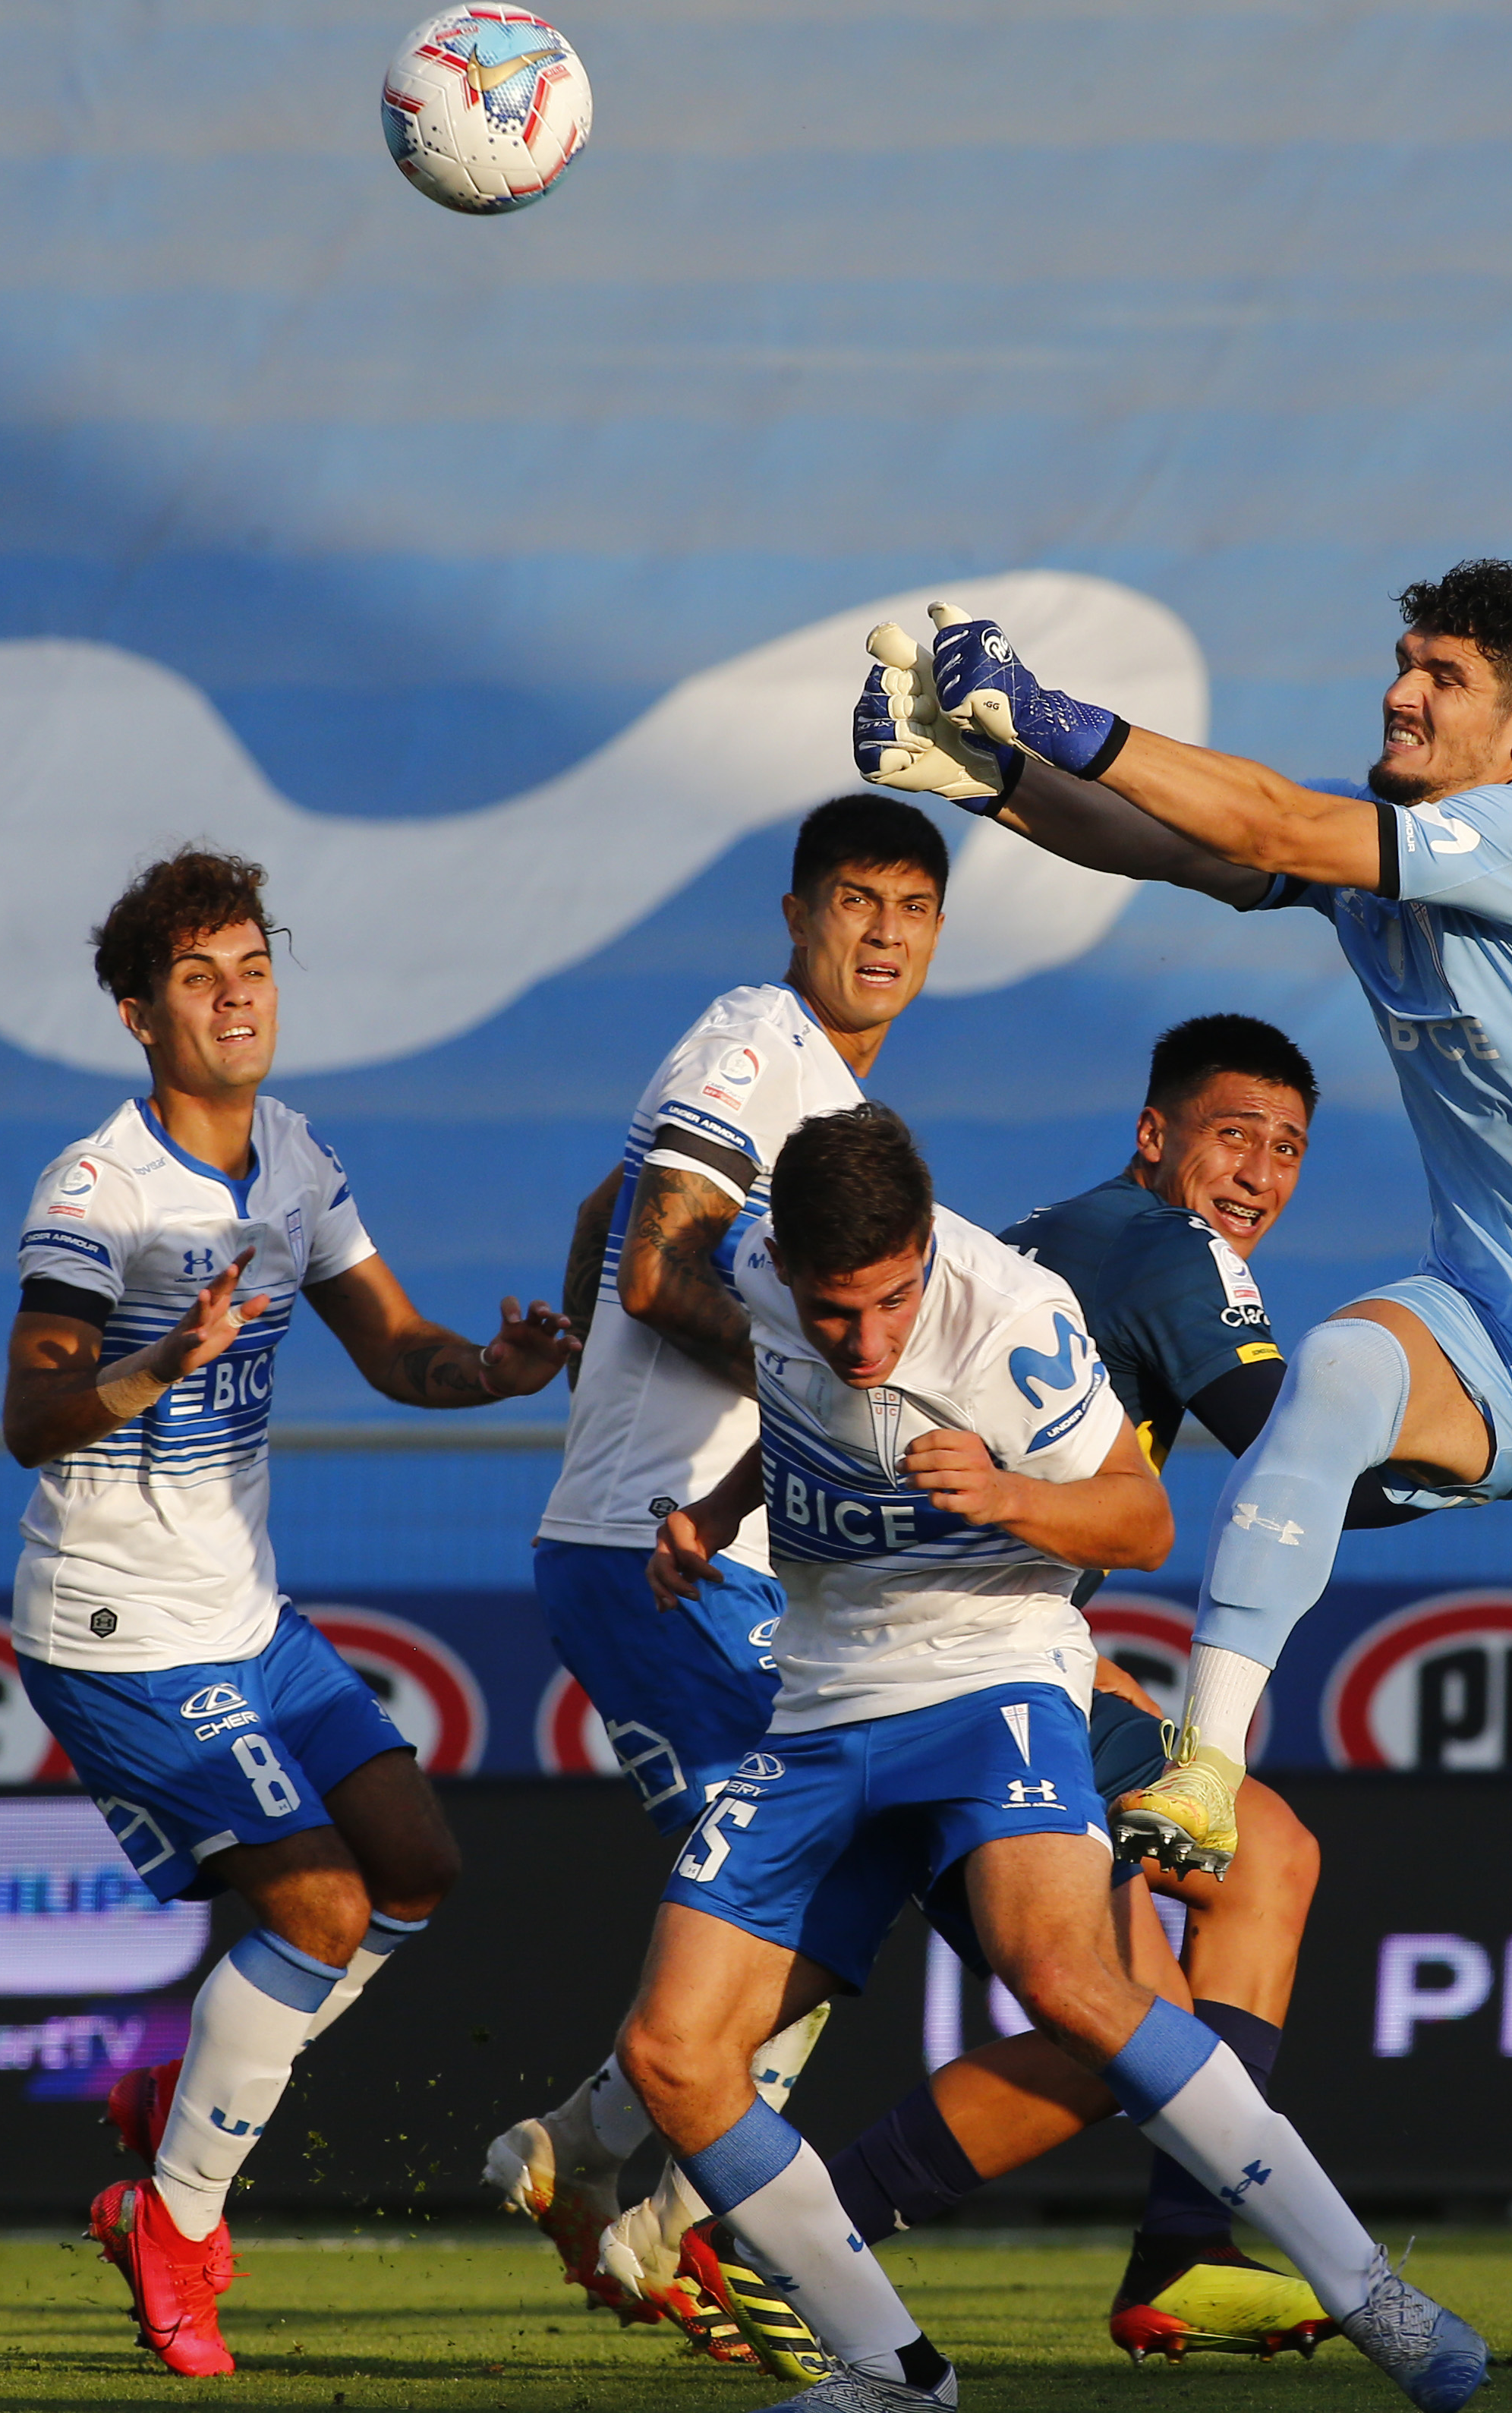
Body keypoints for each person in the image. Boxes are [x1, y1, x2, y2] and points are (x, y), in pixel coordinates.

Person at [855, 562, 1512, 2311]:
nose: (1403, 693)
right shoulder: (1377, 861)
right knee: (1331, 1362)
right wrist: (1000, 784)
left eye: (1444, 675)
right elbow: (1182, 847)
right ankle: (1206, 1755)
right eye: (1402, 662)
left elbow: (1255, 809)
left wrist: (1042, 707)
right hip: (1489, 1321)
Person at [620, 1103, 1487, 2413]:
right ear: (787, 1266)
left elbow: (1139, 1520)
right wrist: (718, 1513)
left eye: (892, 1302)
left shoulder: (1013, 1319)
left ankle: (1373, 2294)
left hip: (992, 1678)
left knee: (1066, 1974)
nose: (866, 1341)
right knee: (671, 2057)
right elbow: (801, 1414)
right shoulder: (756, 1262)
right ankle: (895, 2374)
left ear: (928, 1243)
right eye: (835, 1310)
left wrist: (1011, 1493)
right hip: (817, 1710)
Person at [0, 849, 577, 2377]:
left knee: (414, 1867)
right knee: (316, 1910)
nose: (235, 994)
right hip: (117, 1623)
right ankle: (170, 2215)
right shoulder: (95, 1189)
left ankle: (185, 2098)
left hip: (243, 1614)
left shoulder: (299, 1158)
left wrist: (493, 1373)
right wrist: (159, 1363)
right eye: (197, 977)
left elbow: (397, 1351)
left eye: (250, 965)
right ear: (137, 1014)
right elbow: (32, 1413)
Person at [829, 1014, 1378, 2360]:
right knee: (1124, 2036)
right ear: (1155, 1138)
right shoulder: (1166, 1247)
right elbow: (1289, 1446)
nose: (1257, 1174)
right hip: (941, 1677)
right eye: (1232, 1136)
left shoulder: (1066, 1236)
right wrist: (1507, 1446)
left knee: (1261, 1867)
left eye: (1288, 1149)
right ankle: (777, 2247)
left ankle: (1184, 2256)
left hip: (982, 1649)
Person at [480, 796, 950, 2348]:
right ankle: (672, 2211)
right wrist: (825, 1380)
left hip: (703, 1547)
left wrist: (589, 1389)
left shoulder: (820, 1088)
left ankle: (616, 2172)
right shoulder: (755, 1046)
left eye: (912, 909)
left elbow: (595, 1218)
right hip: (665, 1554)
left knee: (840, 1876)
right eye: (857, 900)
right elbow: (651, 1257)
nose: (883, 933)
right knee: (804, 1882)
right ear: (798, 911)